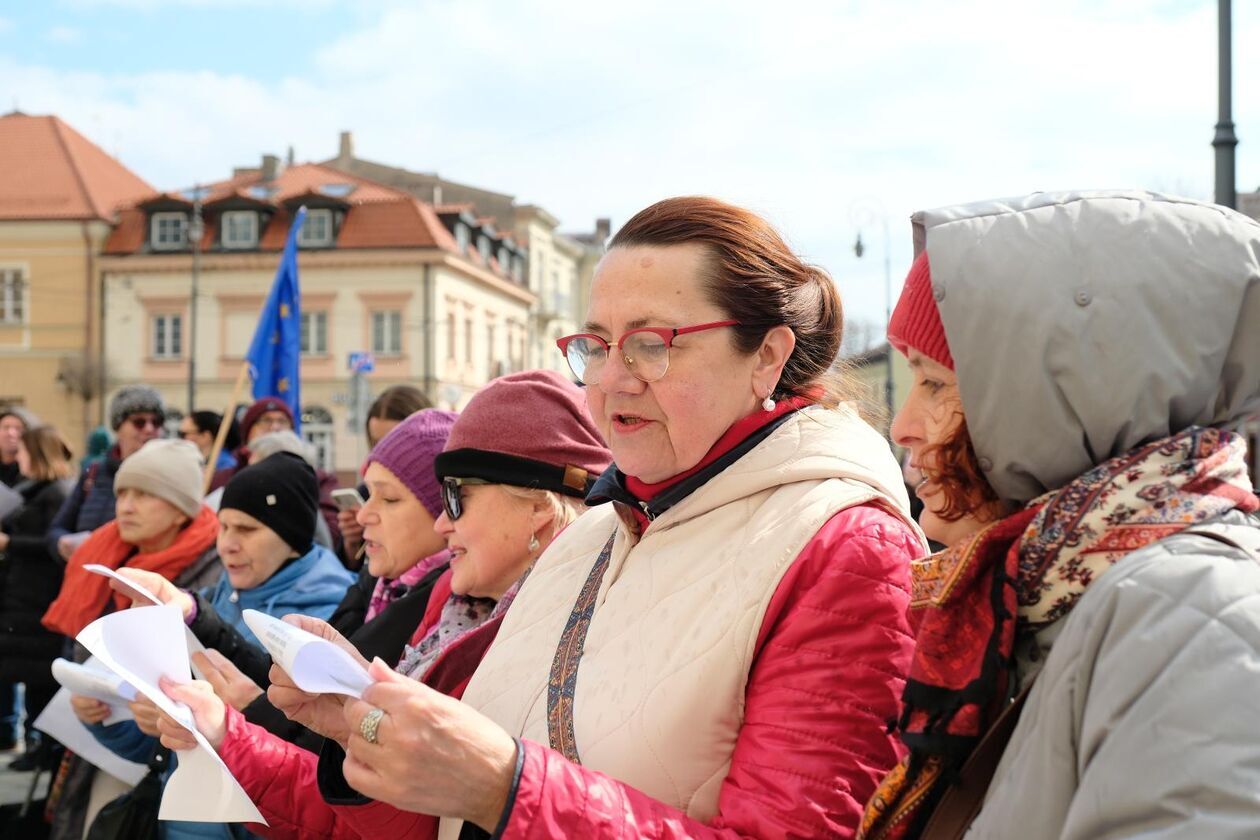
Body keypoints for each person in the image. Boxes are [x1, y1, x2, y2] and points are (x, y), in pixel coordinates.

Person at [161, 197, 925, 838]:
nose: (612, 379)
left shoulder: (847, 547)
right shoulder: (592, 537)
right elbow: (434, 810)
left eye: (653, 344)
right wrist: (335, 725)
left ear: (767, 356)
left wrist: (506, 786)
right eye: (596, 344)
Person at [855, 190, 1260, 840]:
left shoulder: (1191, 615)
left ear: (1068, 403)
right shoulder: (1050, 602)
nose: (902, 426)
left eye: (934, 383)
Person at [155, 371, 613, 839]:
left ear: (537, 505)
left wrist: (255, 722)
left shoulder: (584, 642)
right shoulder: (452, 614)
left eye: (456, 497)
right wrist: (339, 727)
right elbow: (388, 820)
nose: (441, 524)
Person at [115, 408, 459, 756]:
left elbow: (339, 750)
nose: (363, 514)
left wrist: (244, 715)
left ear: (443, 511)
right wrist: (192, 613)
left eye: (388, 498)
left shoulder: (443, 612)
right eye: (367, 495)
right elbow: (291, 688)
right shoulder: (376, 589)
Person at [76, 452, 353, 840]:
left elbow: (310, 756)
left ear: (291, 538)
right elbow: (167, 755)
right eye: (223, 527)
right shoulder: (209, 601)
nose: (228, 545)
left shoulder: (328, 618)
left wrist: (230, 715)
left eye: (247, 529)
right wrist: (109, 719)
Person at [41, 438, 221, 840]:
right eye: (123, 491)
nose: (126, 504)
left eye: (144, 493)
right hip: (103, 739)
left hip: (173, 755)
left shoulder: (214, 574)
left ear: (180, 508)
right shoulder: (104, 555)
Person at [0, 425, 75, 770]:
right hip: (25, 596)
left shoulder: (57, 492)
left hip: (41, 598)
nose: (19, 459)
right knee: (32, 679)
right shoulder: (34, 490)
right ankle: (37, 744)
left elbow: (55, 546)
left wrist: (9, 544)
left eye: (24, 452)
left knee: (42, 680)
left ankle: (45, 749)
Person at [47, 384, 166, 563]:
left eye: (156, 422)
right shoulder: (94, 472)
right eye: (139, 422)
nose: (149, 429)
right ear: (118, 427)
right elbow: (57, 528)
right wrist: (62, 543)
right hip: (88, 577)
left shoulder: (167, 476)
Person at [340, 384, 435, 560]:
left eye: (391, 500)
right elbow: (361, 576)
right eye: (376, 442)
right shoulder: (364, 493)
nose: (383, 452)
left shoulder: (440, 496)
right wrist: (353, 544)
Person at [0, 405, 32, 753]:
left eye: (17, 428)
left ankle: (16, 727)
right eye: (6, 427)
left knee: (14, 654)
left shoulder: (33, 478)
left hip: (19, 575)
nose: (11, 433)